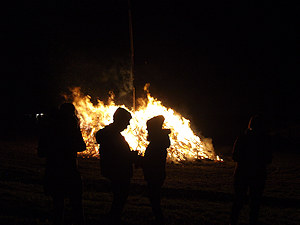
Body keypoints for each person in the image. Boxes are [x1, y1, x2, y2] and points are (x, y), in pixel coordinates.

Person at [38, 103, 86, 225]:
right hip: (70, 170)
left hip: (53, 170)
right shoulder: (71, 128)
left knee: (58, 204)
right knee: (76, 204)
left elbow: (41, 152)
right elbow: (81, 146)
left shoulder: (48, 129)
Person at [95, 107, 138, 223]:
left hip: (116, 170)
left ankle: (114, 217)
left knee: (118, 198)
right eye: (127, 121)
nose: (128, 125)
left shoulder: (110, 133)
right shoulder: (113, 136)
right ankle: (114, 219)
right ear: (120, 120)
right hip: (119, 172)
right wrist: (132, 157)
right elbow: (119, 155)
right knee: (120, 197)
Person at [230, 115, 272, 225]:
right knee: (255, 203)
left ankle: (233, 222)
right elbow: (268, 159)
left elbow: (235, 156)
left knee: (239, 201)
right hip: (258, 175)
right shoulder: (265, 140)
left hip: (242, 174)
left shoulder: (243, 138)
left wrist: (245, 160)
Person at [142, 115, 170, 225]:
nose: (147, 130)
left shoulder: (157, 144)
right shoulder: (159, 142)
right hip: (156, 174)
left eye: (149, 128)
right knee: (154, 198)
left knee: (154, 199)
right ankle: (159, 218)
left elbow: (152, 161)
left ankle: (159, 219)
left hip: (155, 175)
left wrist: (140, 160)